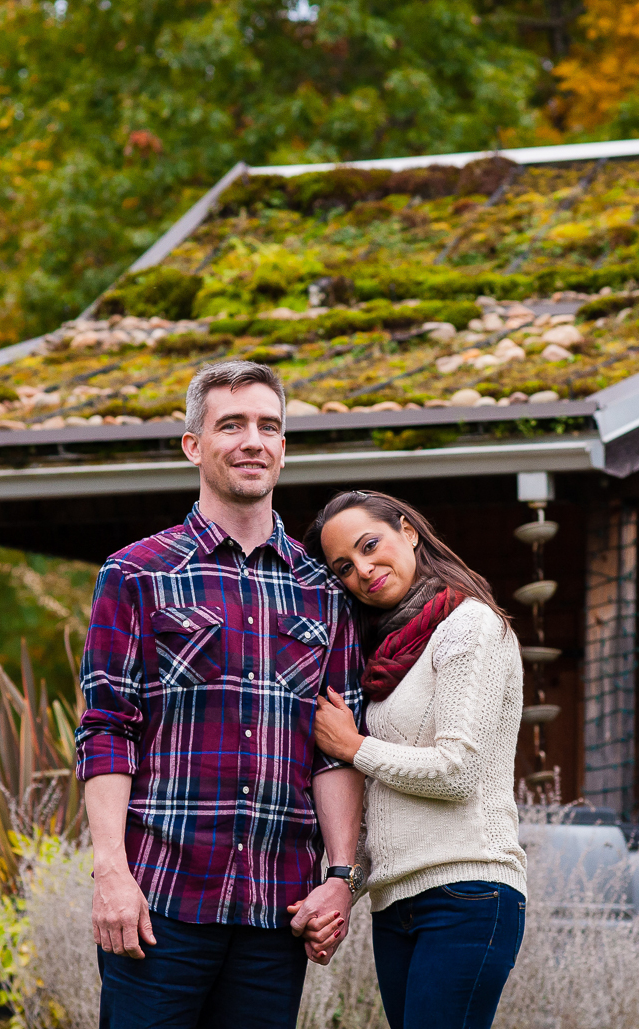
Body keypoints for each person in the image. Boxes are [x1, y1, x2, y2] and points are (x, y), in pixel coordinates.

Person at [75, 360, 367, 1029]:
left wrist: (340, 876)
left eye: (269, 425)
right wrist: (111, 874)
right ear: (194, 444)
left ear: (285, 447)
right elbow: (107, 729)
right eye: (230, 424)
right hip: (160, 902)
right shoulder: (137, 574)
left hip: (276, 911)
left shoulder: (323, 592)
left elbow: (336, 751)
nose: (252, 440)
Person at [300, 490, 527, 1029]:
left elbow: (458, 772)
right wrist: (342, 892)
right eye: (344, 567)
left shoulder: (470, 627)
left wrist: (353, 746)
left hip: (468, 893)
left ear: (408, 531)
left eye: (369, 544)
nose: (363, 569)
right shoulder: (384, 656)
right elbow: (388, 807)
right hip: (396, 905)